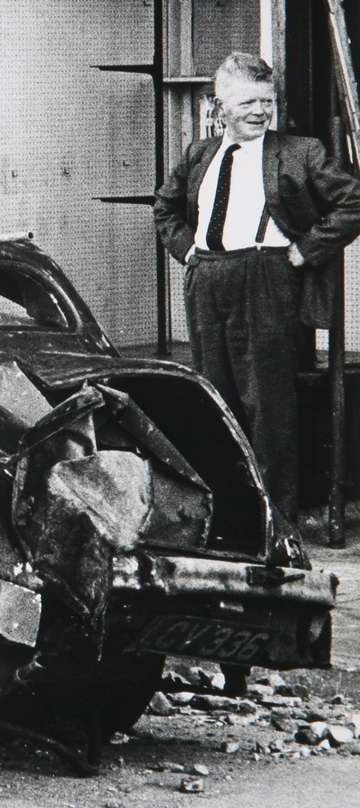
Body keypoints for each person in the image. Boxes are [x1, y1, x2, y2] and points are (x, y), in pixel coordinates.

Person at [154, 52, 360, 522]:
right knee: (214, 402)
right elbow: (163, 208)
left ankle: (276, 526)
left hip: (264, 280)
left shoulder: (299, 152)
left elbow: (353, 202)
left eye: (268, 101)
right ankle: (226, 518)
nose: (260, 112)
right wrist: (188, 250)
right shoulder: (199, 154)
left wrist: (305, 250)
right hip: (207, 279)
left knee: (268, 408)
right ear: (219, 105)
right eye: (248, 101)